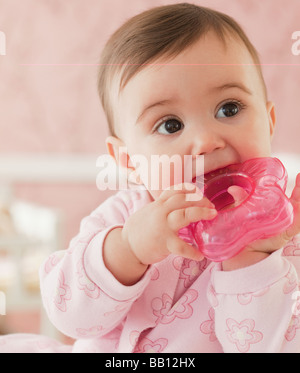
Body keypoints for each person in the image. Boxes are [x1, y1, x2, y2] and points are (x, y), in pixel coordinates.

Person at [1, 2, 300, 353]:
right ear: (129, 161)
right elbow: (67, 316)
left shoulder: (284, 233)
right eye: (170, 124)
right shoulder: (124, 217)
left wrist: (253, 257)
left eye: (229, 109)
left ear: (269, 122)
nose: (205, 141)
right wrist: (127, 250)